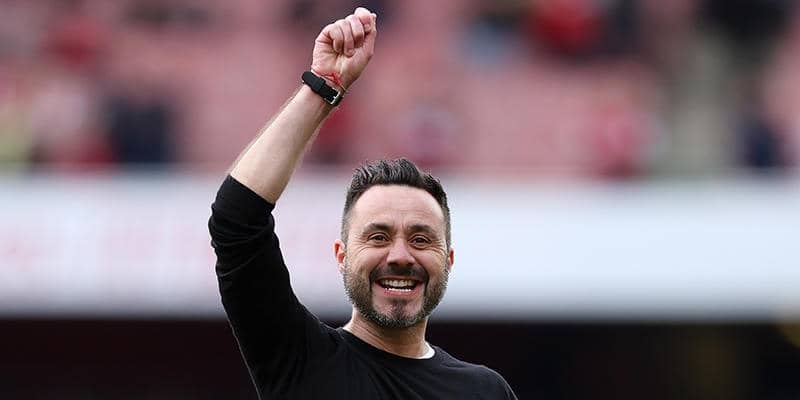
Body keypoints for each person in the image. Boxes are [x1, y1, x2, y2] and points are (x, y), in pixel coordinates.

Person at [208, 7, 518, 399]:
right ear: (342, 255)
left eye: (421, 239)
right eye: (378, 237)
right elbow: (236, 220)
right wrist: (323, 86)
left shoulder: (485, 391)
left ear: (449, 260)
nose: (400, 256)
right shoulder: (301, 359)